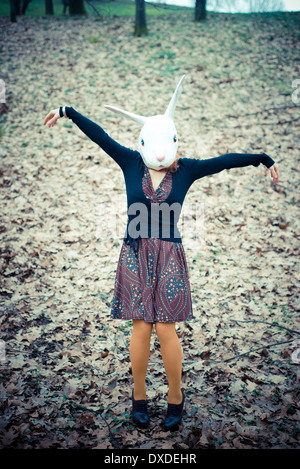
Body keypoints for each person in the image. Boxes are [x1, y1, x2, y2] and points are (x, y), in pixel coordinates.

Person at [43, 84, 279, 432]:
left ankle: (175, 397)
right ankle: (138, 396)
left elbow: (224, 162)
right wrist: (68, 111)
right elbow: (101, 136)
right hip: (135, 254)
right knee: (140, 327)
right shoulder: (129, 161)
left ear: (173, 141)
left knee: (166, 329)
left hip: (169, 256)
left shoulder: (186, 170)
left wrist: (262, 158)